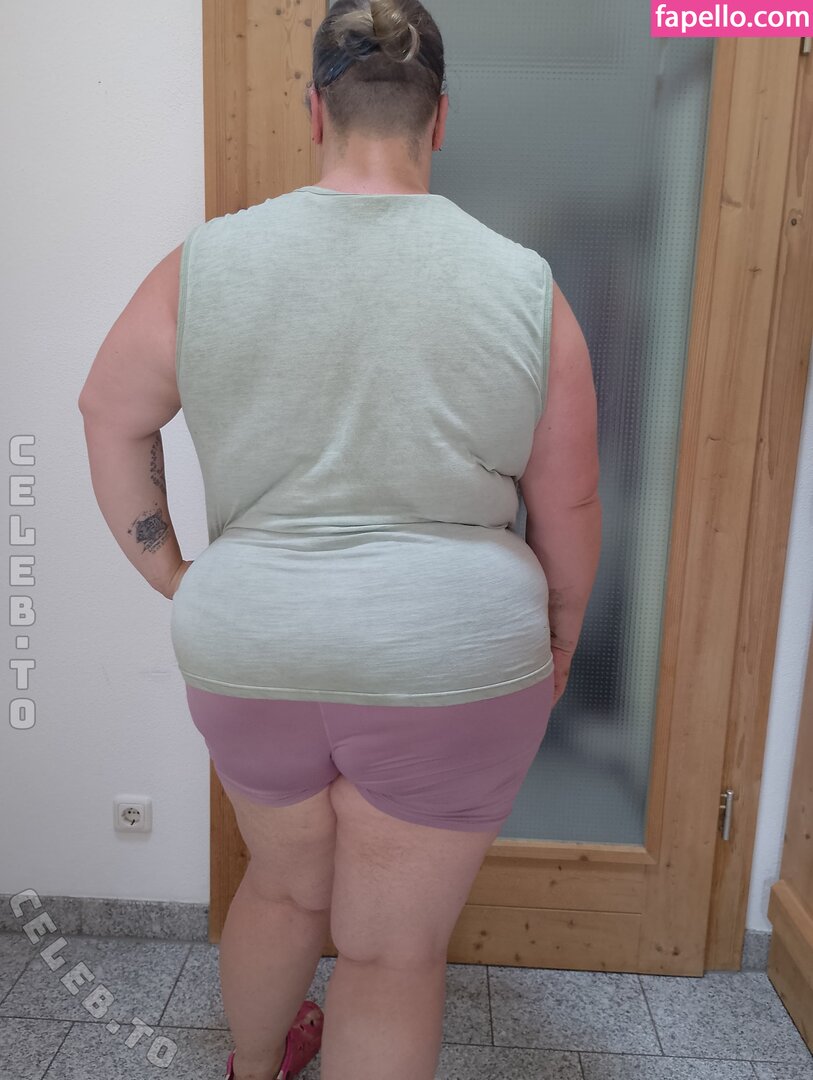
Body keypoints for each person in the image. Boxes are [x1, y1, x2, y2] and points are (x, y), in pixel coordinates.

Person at [77, 0, 601, 1077]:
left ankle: (254, 1064)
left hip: (250, 642)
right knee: (389, 955)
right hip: (451, 654)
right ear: (440, 117)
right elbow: (571, 505)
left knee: (280, 888)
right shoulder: (524, 287)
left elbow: (108, 413)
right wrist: (559, 637)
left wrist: (177, 576)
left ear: (314, 109)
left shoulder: (204, 264)